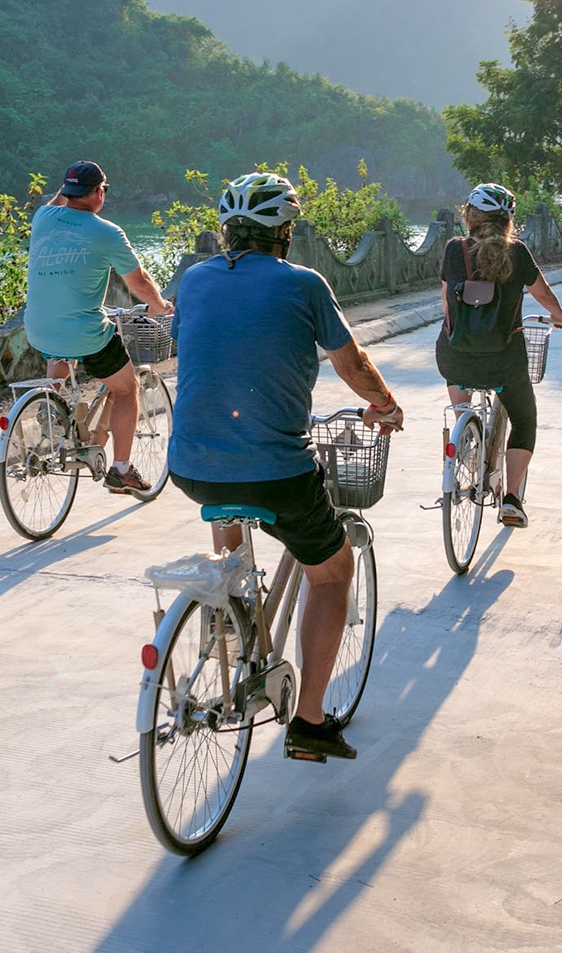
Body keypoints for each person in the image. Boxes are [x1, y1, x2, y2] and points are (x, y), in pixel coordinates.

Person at [168, 172, 404, 763]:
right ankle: (310, 722)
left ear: (228, 233)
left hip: (189, 462)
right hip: (275, 471)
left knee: (226, 488)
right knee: (332, 571)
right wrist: (385, 406)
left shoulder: (194, 279)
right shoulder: (304, 285)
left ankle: (229, 607)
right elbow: (352, 363)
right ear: (287, 234)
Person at [24, 160, 173, 493]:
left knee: (60, 350)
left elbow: (55, 203)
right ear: (98, 192)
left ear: (65, 191)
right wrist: (159, 306)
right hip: (83, 332)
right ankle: (122, 470)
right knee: (126, 387)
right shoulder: (107, 232)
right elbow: (139, 281)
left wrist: (66, 190)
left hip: (37, 327)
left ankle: (53, 407)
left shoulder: (43, 218)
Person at [434, 183, 562, 528]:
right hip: (504, 362)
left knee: (460, 403)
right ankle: (511, 498)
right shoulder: (518, 253)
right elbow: (543, 295)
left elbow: (446, 303)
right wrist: (559, 315)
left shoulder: (454, 251)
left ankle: (466, 438)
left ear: (470, 218)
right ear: (508, 220)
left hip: (455, 357)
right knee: (524, 420)